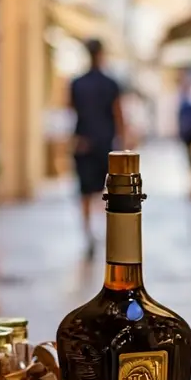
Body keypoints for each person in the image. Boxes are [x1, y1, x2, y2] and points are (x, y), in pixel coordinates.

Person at [69, 39, 126, 257]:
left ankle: (88, 233)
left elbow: (71, 110)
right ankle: (106, 231)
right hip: (105, 143)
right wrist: (122, 140)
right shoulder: (111, 83)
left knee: (84, 192)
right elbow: (118, 113)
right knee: (106, 190)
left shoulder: (77, 83)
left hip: (83, 142)